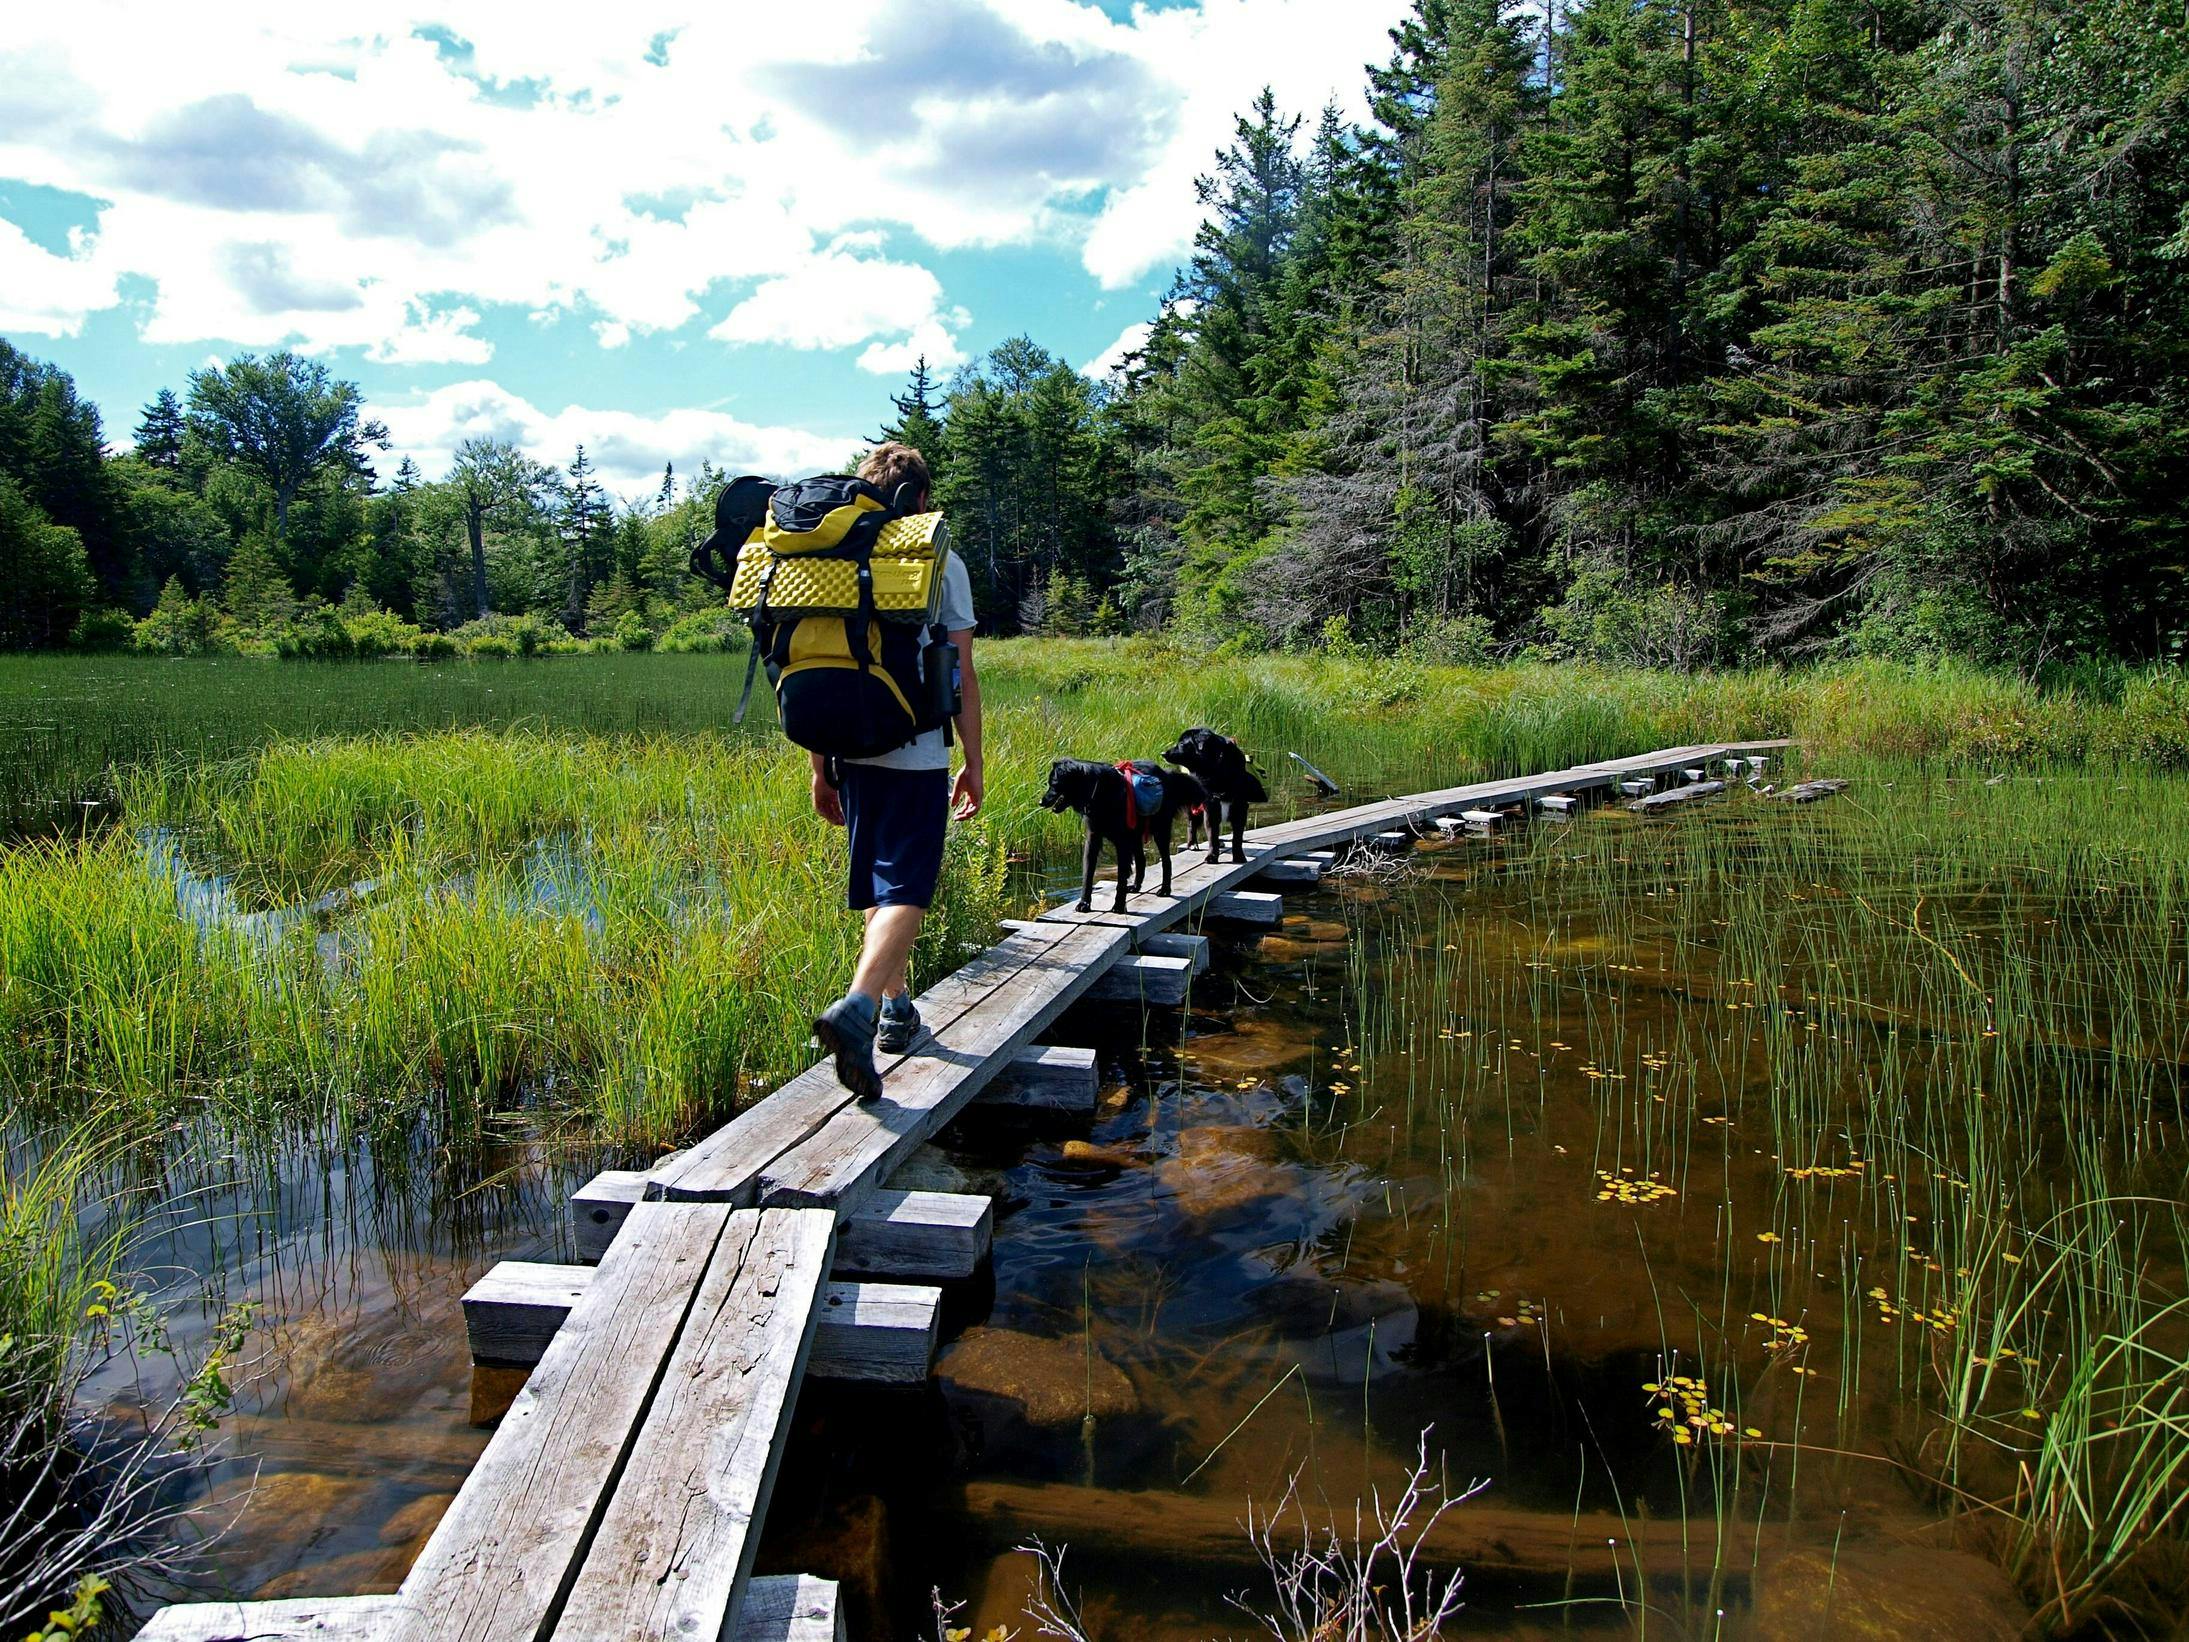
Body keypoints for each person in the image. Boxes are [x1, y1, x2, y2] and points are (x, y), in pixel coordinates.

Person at [809, 442, 982, 1100]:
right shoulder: (941, 560)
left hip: (844, 751)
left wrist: (819, 766)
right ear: (919, 500)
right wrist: (972, 761)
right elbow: (961, 674)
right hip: (914, 752)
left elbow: (814, 665)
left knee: (884, 890)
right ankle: (857, 1009)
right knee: (907, 887)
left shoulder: (829, 559)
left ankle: (895, 1012)